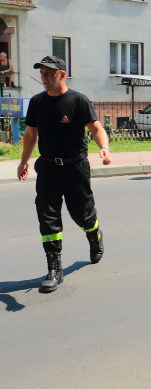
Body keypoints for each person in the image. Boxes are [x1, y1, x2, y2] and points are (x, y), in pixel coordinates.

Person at [17, 55, 112, 293]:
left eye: (49, 73)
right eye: (42, 73)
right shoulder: (37, 102)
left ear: (62, 74)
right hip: (48, 168)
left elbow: (96, 128)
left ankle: (94, 235)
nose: (44, 77)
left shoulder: (78, 101)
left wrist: (105, 147)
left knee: (82, 213)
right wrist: (24, 161)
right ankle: (54, 268)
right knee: (47, 215)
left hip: (75, 167)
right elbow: (30, 135)